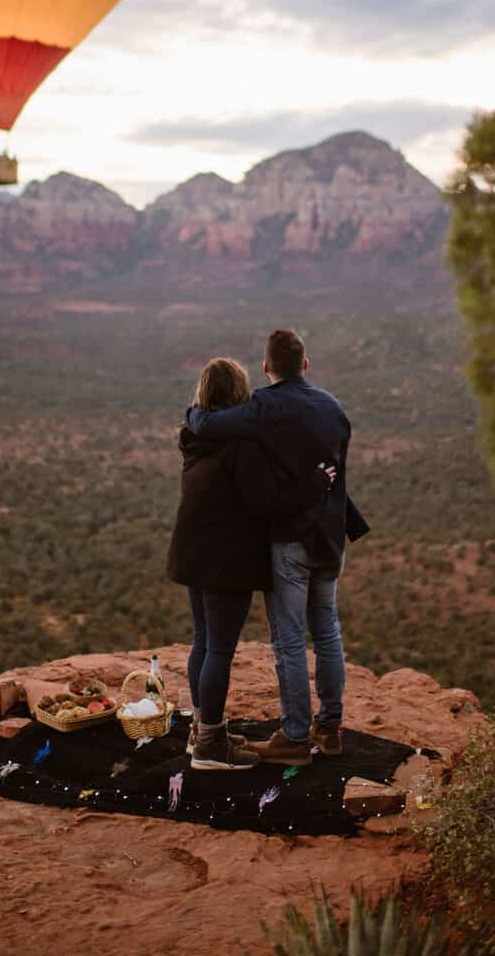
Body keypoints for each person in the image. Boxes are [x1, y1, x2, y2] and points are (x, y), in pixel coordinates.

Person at [186, 328, 368, 769]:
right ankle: (330, 728)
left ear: (267, 368)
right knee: (327, 632)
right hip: (330, 536)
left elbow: (207, 423)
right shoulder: (332, 406)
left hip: (291, 539)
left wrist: (192, 409)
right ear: (305, 363)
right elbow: (335, 469)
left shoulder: (263, 407)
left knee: (288, 641)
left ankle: (292, 736)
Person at [166, 356, 333, 771]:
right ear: (242, 395)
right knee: (219, 649)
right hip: (226, 560)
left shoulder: (195, 436)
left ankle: (204, 732)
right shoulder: (241, 444)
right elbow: (267, 505)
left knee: (204, 643)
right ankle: (209, 747)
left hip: (193, 552)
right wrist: (316, 483)